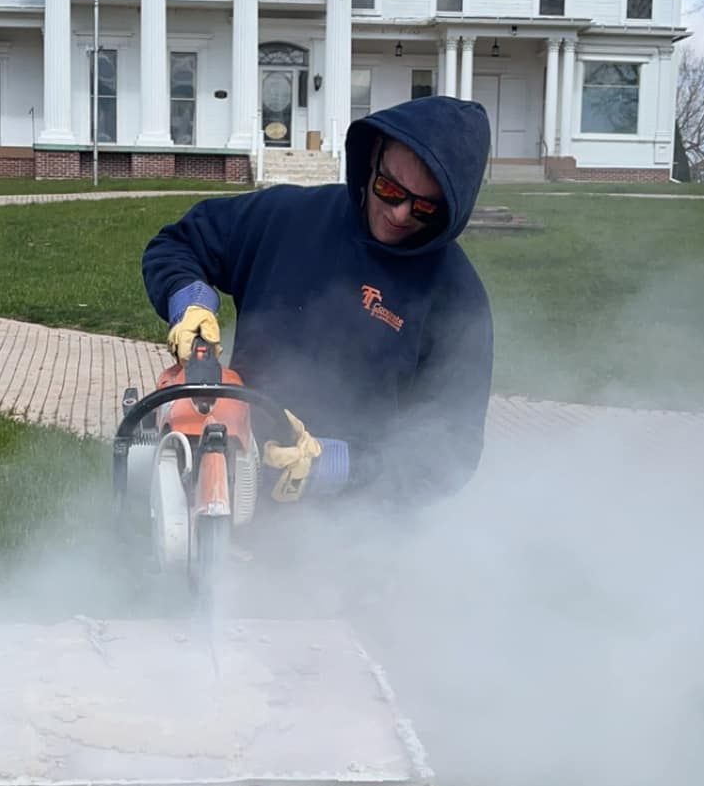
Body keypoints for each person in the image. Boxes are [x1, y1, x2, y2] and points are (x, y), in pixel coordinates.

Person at [141, 95, 493, 502]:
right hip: (234, 479)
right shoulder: (288, 218)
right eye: (389, 189)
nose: (399, 214)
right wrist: (190, 301)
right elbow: (179, 244)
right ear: (373, 157)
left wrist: (341, 465)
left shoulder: (457, 296)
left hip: (354, 525)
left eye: (424, 209)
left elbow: (452, 449)